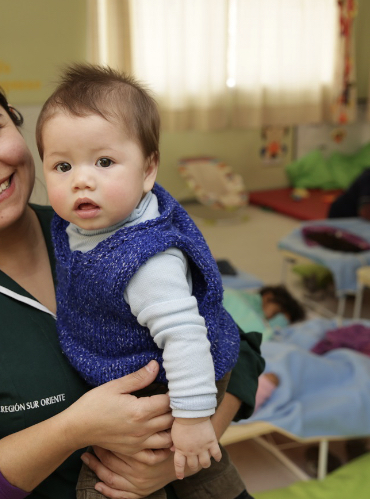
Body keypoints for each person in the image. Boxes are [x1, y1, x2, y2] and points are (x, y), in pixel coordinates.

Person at [0, 52, 264, 499]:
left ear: (16, 124)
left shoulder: (100, 230)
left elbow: (234, 346)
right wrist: (71, 430)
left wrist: (179, 459)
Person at [37, 64, 245, 499]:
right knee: (199, 468)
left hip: (177, 376)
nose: (81, 180)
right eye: (62, 166)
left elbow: (184, 337)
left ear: (148, 171)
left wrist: (192, 418)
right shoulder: (77, 223)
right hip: (149, 359)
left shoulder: (147, 262)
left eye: (104, 162)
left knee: (115, 477)